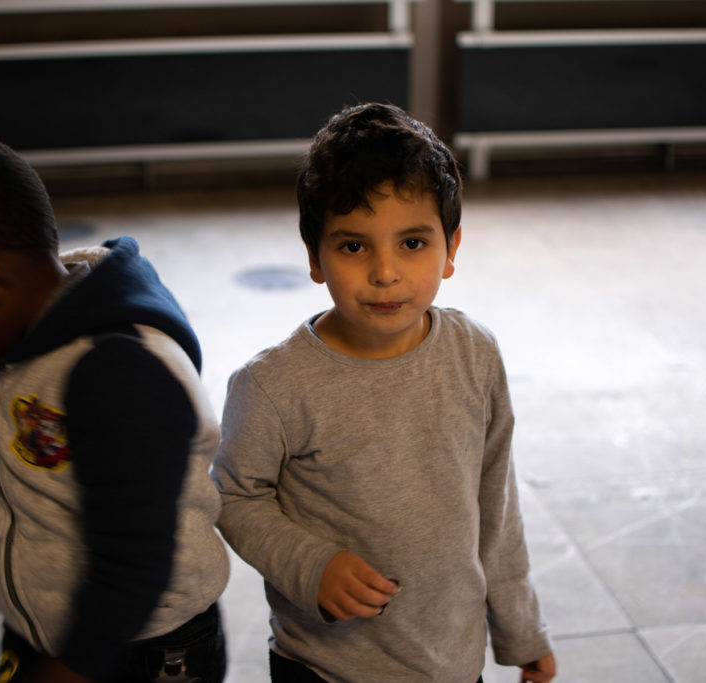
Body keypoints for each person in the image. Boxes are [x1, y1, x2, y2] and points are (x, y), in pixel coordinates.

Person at [210, 103, 556, 682]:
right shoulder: (272, 385)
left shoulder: (475, 354)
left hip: (452, 659)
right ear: (314, 258)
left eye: (413, 243)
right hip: (325, 666)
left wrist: (520, 627)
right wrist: (310, 565)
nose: (385, 272)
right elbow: (234, 496)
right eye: (353, 246)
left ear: (452, 247)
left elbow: (495, 501)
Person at [0, 129, 229, 682]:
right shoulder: (14, 339)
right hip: (50, 626)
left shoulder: (117, 375)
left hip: (142, 651)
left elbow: (135, 561)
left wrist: (68, 669)